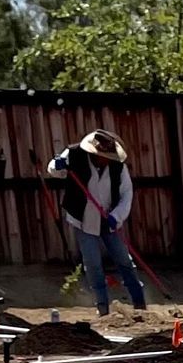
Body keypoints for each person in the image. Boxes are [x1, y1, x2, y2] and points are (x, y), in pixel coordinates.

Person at [46, 129, 146, 315]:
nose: (105, 159)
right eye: (101, 156)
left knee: (124, 260)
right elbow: (54, 170)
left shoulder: (118, 167)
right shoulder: (75, 154)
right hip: (83, 219)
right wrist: (57, 165)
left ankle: (139, 303)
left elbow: (126, 195)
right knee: (92, 264)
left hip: (109, 220)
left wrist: (116, 216)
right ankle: (103, 308)